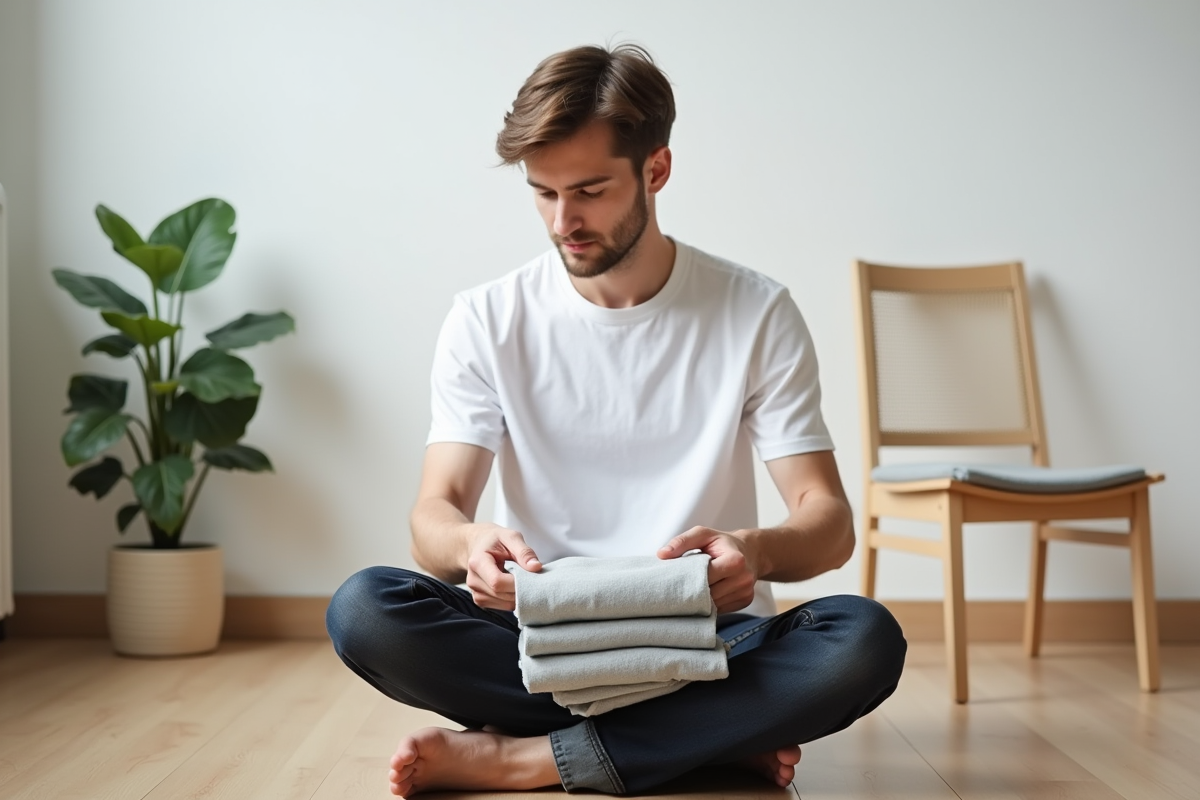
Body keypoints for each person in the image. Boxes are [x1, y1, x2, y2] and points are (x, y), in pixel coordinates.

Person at [325, 43, 907, 797]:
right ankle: (707, 737)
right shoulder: (486, 319)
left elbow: (827, 523)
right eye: (543, 194)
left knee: (863, 642)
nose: (563, 221)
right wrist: (470, 542)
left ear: (655, 171)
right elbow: (433, 517)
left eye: (590, 191)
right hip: (542, 637)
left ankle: (531, 758)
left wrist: (753, 552)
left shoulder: (755, 311)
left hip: (711, 638)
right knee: (365, 610)